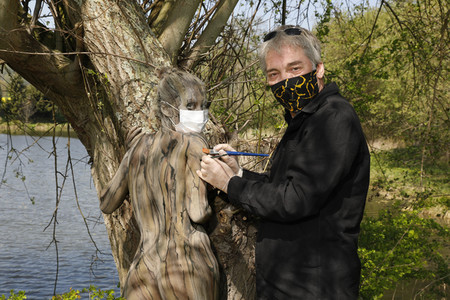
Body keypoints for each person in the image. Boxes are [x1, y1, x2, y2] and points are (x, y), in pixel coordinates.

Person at [197, 25, 370, 299]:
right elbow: (284, 186)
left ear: (319, 69)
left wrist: (229, 185)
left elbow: (294, 200)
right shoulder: (304, 119)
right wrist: (238, 172)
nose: (285, 80)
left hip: (316, 285)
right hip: (287, 282)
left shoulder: (334, 118)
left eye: (295, 69)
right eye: (274, 74)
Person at [100, 68, 219, 300]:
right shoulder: (194, 142)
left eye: (204, 106)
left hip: (142, 269)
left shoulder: (137, 146)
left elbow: (106, 202)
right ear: (166, 108)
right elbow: (198, 212)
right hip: (186, 264)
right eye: (191, 106)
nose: (201, 114)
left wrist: (129, 157)